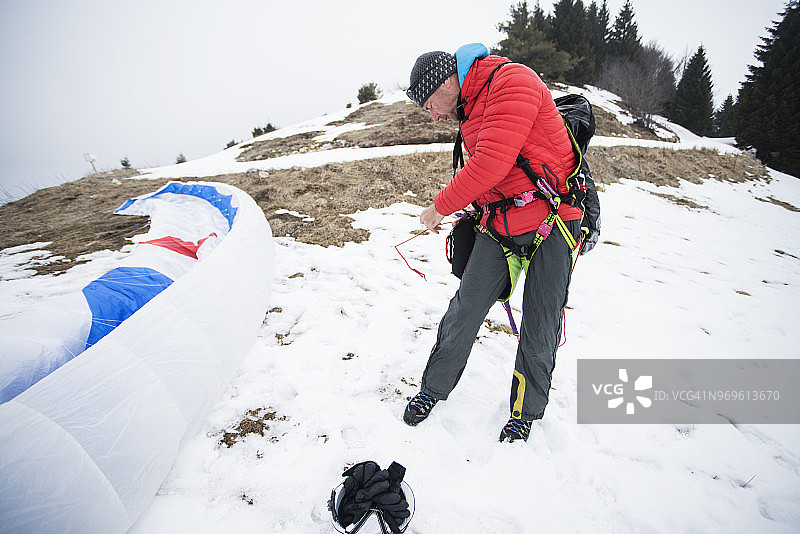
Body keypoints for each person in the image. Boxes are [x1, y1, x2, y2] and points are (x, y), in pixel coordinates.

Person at [403, 43, 598, 442]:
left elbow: (491, 163)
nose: (435, 115)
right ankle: (433, 389)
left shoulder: (513, 81)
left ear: (446, 82)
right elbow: (498, 177)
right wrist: (465, 211)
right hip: (501, 223)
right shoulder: (470, 106)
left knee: (541, 324)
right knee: (465, 308)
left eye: (430, 105)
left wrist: (439, 207)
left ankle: (525, 411)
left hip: (554, 221)